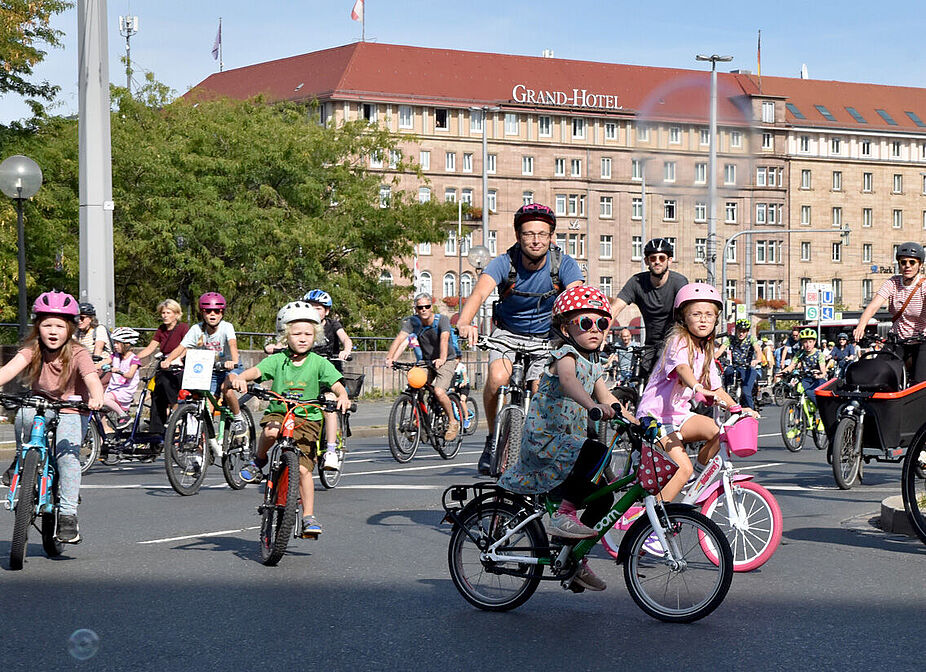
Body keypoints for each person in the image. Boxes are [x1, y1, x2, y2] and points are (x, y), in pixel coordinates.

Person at [499, 286, 621, 592]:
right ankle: (564, 515)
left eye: (602, 324)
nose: (595, 329)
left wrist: (639, 422)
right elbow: (567, 382)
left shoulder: (594, 366)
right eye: (585, 323)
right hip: (547, 442)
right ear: (565, 327)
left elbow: (611, 400)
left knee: (604, 497)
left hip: (567, 447)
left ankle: (572, 557)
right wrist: (593, 406)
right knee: (596, 450)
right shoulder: (565, 355)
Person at [456, 203, 584, 474]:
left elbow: (577, 299)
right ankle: (492, 440)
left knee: (540, 388)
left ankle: (540, 444)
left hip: (546, 337)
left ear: (551, 237)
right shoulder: (505, 263)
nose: (535, 240)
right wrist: (465, 322)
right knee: (498, 378)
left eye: (542, 234)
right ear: (518, 236)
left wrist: (580, 329)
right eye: (529, 234)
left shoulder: (564, 264)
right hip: (507, 333)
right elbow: (478, 294)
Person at [231, 302, 350, 536]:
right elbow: (255, 372)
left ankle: (309, 516)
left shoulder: (319, 362)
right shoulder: (278, 359)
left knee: (305, 471)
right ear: (286, 336)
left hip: (308, 417)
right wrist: (240, 377)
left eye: (308, 334)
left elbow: (337, 385)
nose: (303, 338)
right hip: (280, 411)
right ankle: (258, 462)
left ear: (315, 336)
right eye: (296, 334)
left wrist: (343, 397)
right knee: (270, 432)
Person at [0, 291, 104, 543]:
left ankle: (68, 515)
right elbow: (8, 370)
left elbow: (91, 378)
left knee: (67, 458)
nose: (53, 331)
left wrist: (96, 396)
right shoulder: (32, 349)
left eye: (59, 325)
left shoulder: (78, 352)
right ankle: (20, 460)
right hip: (41, 403)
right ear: (38, 327)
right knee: (24, 414)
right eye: (47, 325)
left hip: (71, 407)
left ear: (70, 328)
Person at [635, 283, 741, 503]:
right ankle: (653, 524)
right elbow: (683, 369)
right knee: (681, 469)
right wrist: (696, 387)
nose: (703, 319)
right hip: (655, 417)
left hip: (679, 415)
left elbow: (716, 388)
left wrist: (738, 409)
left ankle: (698, 476)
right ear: (683, 318)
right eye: (696, 314)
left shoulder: (705, 350)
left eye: (709, 315)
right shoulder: (678, 341)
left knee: (719, 433)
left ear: (716, 319)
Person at [162, 292, 247, 439]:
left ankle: (238, 418)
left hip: (229, 367)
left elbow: (233, 345)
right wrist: (168, 360)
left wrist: (232, 361)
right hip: (211, 370)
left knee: (226, 388)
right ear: (203, 313)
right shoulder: (197, 329)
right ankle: (207, 443)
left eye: (217, 311)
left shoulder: (227, 327)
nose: (212, 314)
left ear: (222, 313)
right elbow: (181, 347)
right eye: (208, 311)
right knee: (206, 407)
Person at [610, 238, 688, 383]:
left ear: (669, 261)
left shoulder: (679, 282)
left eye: (661, 258)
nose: (657, 261)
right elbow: (615, 308)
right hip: (650, 344)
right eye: (653, 258)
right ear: (646, 261)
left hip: (675, 342)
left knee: (674, 382)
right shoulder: (636, 282)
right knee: (644, 380)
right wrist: (601, 333)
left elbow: (687, 313)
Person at [384, 293, 461, 440]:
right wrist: (390, 358)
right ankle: (420, 421)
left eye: (427, 306)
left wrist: (442, 358)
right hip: (427, 361)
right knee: (415, 385)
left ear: (431, 307)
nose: (424, 310)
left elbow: (444, 339)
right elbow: (401, 338)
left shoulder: (441, 320)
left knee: (438, 391)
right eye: (420, 307)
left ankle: (452, 421)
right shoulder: (413, 322)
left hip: (446, 360)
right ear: (416, 309)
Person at [854, 242, 926, 384]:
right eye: (903, 262)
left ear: (920, 265)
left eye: (912, 262)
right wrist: (861, 325)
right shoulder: (893, 283)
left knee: (920, 382)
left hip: (922, 340)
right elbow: (874, 306)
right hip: (897, 340)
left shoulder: (923, 286)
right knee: (878, 374)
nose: (908, 266)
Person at [136, 299, 190, 434]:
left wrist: (178, 358)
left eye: (168, 313)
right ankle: (156, 432)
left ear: (176, 314)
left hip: (178, 365)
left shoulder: (183, 327)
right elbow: (150, 348)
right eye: (163, 313)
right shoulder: (161, 329)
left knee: (166, 382)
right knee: (156, 394)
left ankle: (176, 410)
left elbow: (187, 345)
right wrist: (134, 358)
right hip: (164, 364)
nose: (165, 315)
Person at [715, 318, 762, 409]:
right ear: (736, 330)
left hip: (747, 367)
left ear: (747, 332)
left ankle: (751, 411)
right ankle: (728, 394)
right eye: (739, 331)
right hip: (735, 366)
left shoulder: (751, 339)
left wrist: (757, 360)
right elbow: (720, 351)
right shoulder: (730, 339)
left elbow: (758, 351)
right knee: (727, 371)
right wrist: (711, 359)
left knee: (746, 392)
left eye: (744, 331)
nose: (741, 334)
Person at [303, 289, 353, 371]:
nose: (314, 312)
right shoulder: (302, 325)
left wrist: (346, 351)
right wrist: (277, 347)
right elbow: (289, 338)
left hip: (331, 369)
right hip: (308, 369)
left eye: (318, 309)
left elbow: (345, 338)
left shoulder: (333, 324)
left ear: (326, 311)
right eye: (310, 308)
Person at [101, 328, 142, 427]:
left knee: (103, 399)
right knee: (98, 411)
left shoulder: (134, 359)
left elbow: (130, 375)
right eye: (114, 343)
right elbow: (103, 363)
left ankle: (124, 416)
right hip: (113, 389)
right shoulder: (114, 356)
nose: (115, 345)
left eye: (117, 343)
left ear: (127, 344)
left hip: (125, 390)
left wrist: (118, 371)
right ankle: (101, 438)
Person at [779, 328, 828, 407]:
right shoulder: (799, 353)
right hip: (806, 379)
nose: (807, 344)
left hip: (818, 380)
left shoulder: (819, 354)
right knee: (798, 391)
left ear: (814, 342)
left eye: (810, 342)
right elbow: (792, 365)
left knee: (810, 393)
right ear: (801, 342)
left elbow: (823, 370)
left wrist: (820, 374)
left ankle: (821, 410)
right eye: (805, 342)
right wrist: (783, 372)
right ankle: (799, 416)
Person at [74, 302, 113, 382]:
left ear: (90, 318)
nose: (79, 321)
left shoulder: (99, 329)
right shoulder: (78, 333)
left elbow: (98, 349)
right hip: (85, 367)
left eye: (82, 318)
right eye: (77, 318)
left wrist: (92, 366)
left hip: (101, 368)